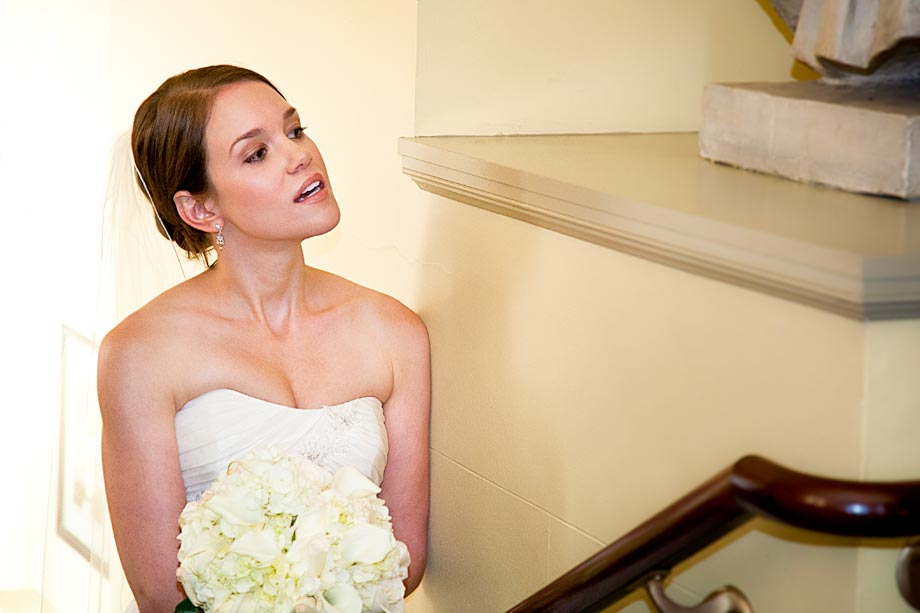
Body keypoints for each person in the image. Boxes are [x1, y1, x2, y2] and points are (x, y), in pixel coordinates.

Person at [98, 65, 430, 612]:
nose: (300, 155)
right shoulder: (140, 353)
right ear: (201, 209)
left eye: (295, 130)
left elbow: (406, 558)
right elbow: (161, 594)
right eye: (257, 153)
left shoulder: (395, 331)